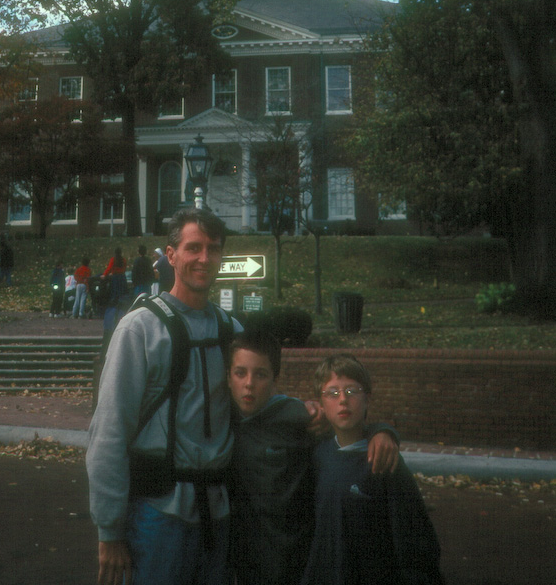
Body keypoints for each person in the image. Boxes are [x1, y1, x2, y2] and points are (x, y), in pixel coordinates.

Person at [87, 207, 241, 585]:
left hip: (219, 516)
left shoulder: (231, 329)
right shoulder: (139, 329)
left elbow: (259, 408)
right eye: (194, 248)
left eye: (214, 249)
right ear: (170, 255)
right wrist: (110, 531)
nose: (205, 258)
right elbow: (109, 432)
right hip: (157, 517)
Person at [226, 331, 399, 585]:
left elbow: (345, 428)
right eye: (240, 373)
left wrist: (381, 432)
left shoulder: (297, 417)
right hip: (245, 558)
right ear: (228, 378)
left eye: (260, 374)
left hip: (296, 558)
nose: (249, 383)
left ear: (275, 379)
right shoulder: (220, 416)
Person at [301, 354, 444, 585]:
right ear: (321, 403)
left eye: (351, 391)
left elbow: (416, 539)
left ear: (367, 398)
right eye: (332, 393)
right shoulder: (315, 456)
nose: (343, 401)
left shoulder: (383, 460)